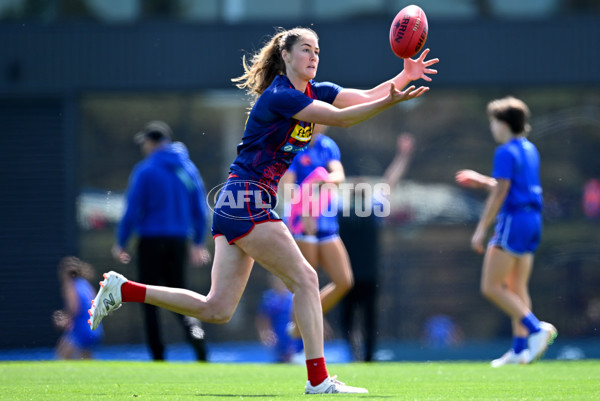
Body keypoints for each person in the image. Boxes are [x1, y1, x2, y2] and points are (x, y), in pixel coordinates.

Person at [89, 27, 438, 394]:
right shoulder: (280, 96)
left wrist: (404, 76)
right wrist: (390, 102)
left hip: (236, 203)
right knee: (305, 279)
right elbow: (345, 119)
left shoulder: (314, 91)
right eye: (305, 49)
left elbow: (362, 96)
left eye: (317, 50)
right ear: (285, 56)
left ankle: (125, 290)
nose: (314, 56)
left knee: (217, 308)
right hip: (247, 199)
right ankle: (318, 380)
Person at [455, 96, 557, 367]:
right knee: (516, 286)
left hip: (512, 221)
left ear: (503, 124)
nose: (492, 127)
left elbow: (501, 192)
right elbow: (510, 186)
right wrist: (481, 181)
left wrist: (480, 229)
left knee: (491, 287)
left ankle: (537, 330)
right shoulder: (529, 148)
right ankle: (520, 350)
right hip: (532, 220)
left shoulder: (505, 151)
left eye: (493, 121)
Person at [111, 120, 211, 362]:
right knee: (180, 294)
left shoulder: (145, 170)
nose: (143, 147)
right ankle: (194, 332)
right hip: (179, 241)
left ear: (152, 142)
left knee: (148, 297)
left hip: (151, 241)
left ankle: (158, 355)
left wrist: (121, 241)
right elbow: (200, 208)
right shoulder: (187, 169)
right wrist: (198, 241)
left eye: (144, 143)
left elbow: (132, 209)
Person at [339, 133, 415, 361]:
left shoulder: (338, 212)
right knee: (369, 317)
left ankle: (354, 352)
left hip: (346, 275)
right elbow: (390, 182)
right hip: (369, 273)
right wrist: (403, 156)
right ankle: (368, 356)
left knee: (347, 318)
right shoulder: (374, 211)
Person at [280, 124, 352, 341]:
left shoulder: (327, 145)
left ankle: (300, 323)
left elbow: (338, 174)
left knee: (344, 281)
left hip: (325, 222)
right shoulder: (293, 146)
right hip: (301, 222)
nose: (323, 122)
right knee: (307, 283)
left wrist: (324, 178)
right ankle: (301, 333)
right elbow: (286, 186)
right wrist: (303, 212)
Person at [52, 256, 104, 359]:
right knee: (85, 358)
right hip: (94, 328)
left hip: (81, 328)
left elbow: (74, 308)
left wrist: (64, 318)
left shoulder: (69, 285)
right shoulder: (86, 284)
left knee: (62, 355)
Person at [255, 274, 302, 363]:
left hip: (292, 331)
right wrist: (265, 333)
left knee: (294, 356)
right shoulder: (269, 297)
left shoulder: (293, 296)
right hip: (277, 333)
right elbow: (263, 318)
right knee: (280, 358)